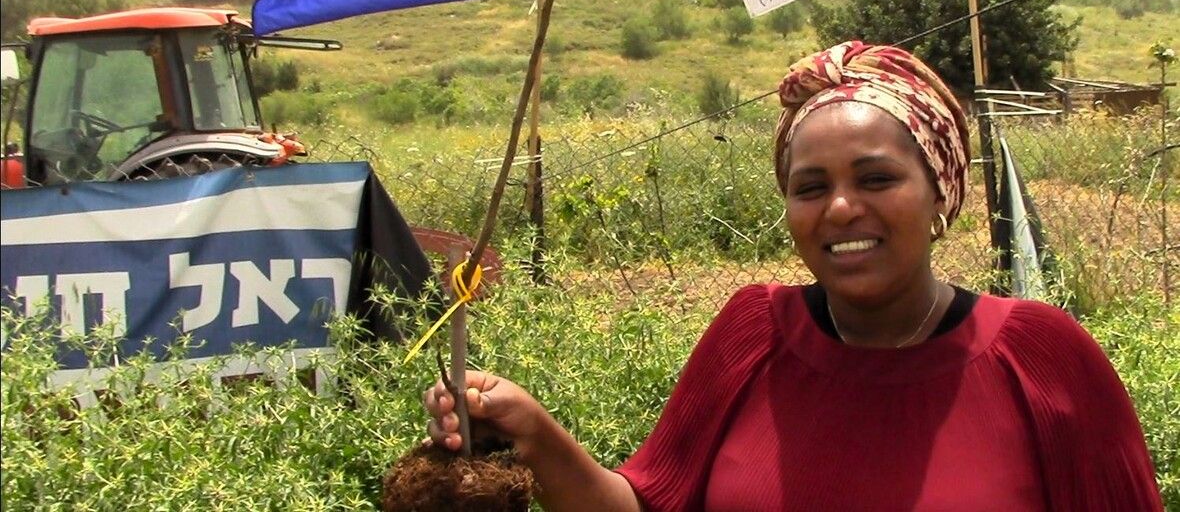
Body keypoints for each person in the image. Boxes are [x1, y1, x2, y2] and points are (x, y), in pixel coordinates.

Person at [424, 41, 1163, 510]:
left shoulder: (1037, 357)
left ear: (940, 191)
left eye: (876, 178)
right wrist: (535, 434)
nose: (840, 207)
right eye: (811, 187)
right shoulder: (754, 334)